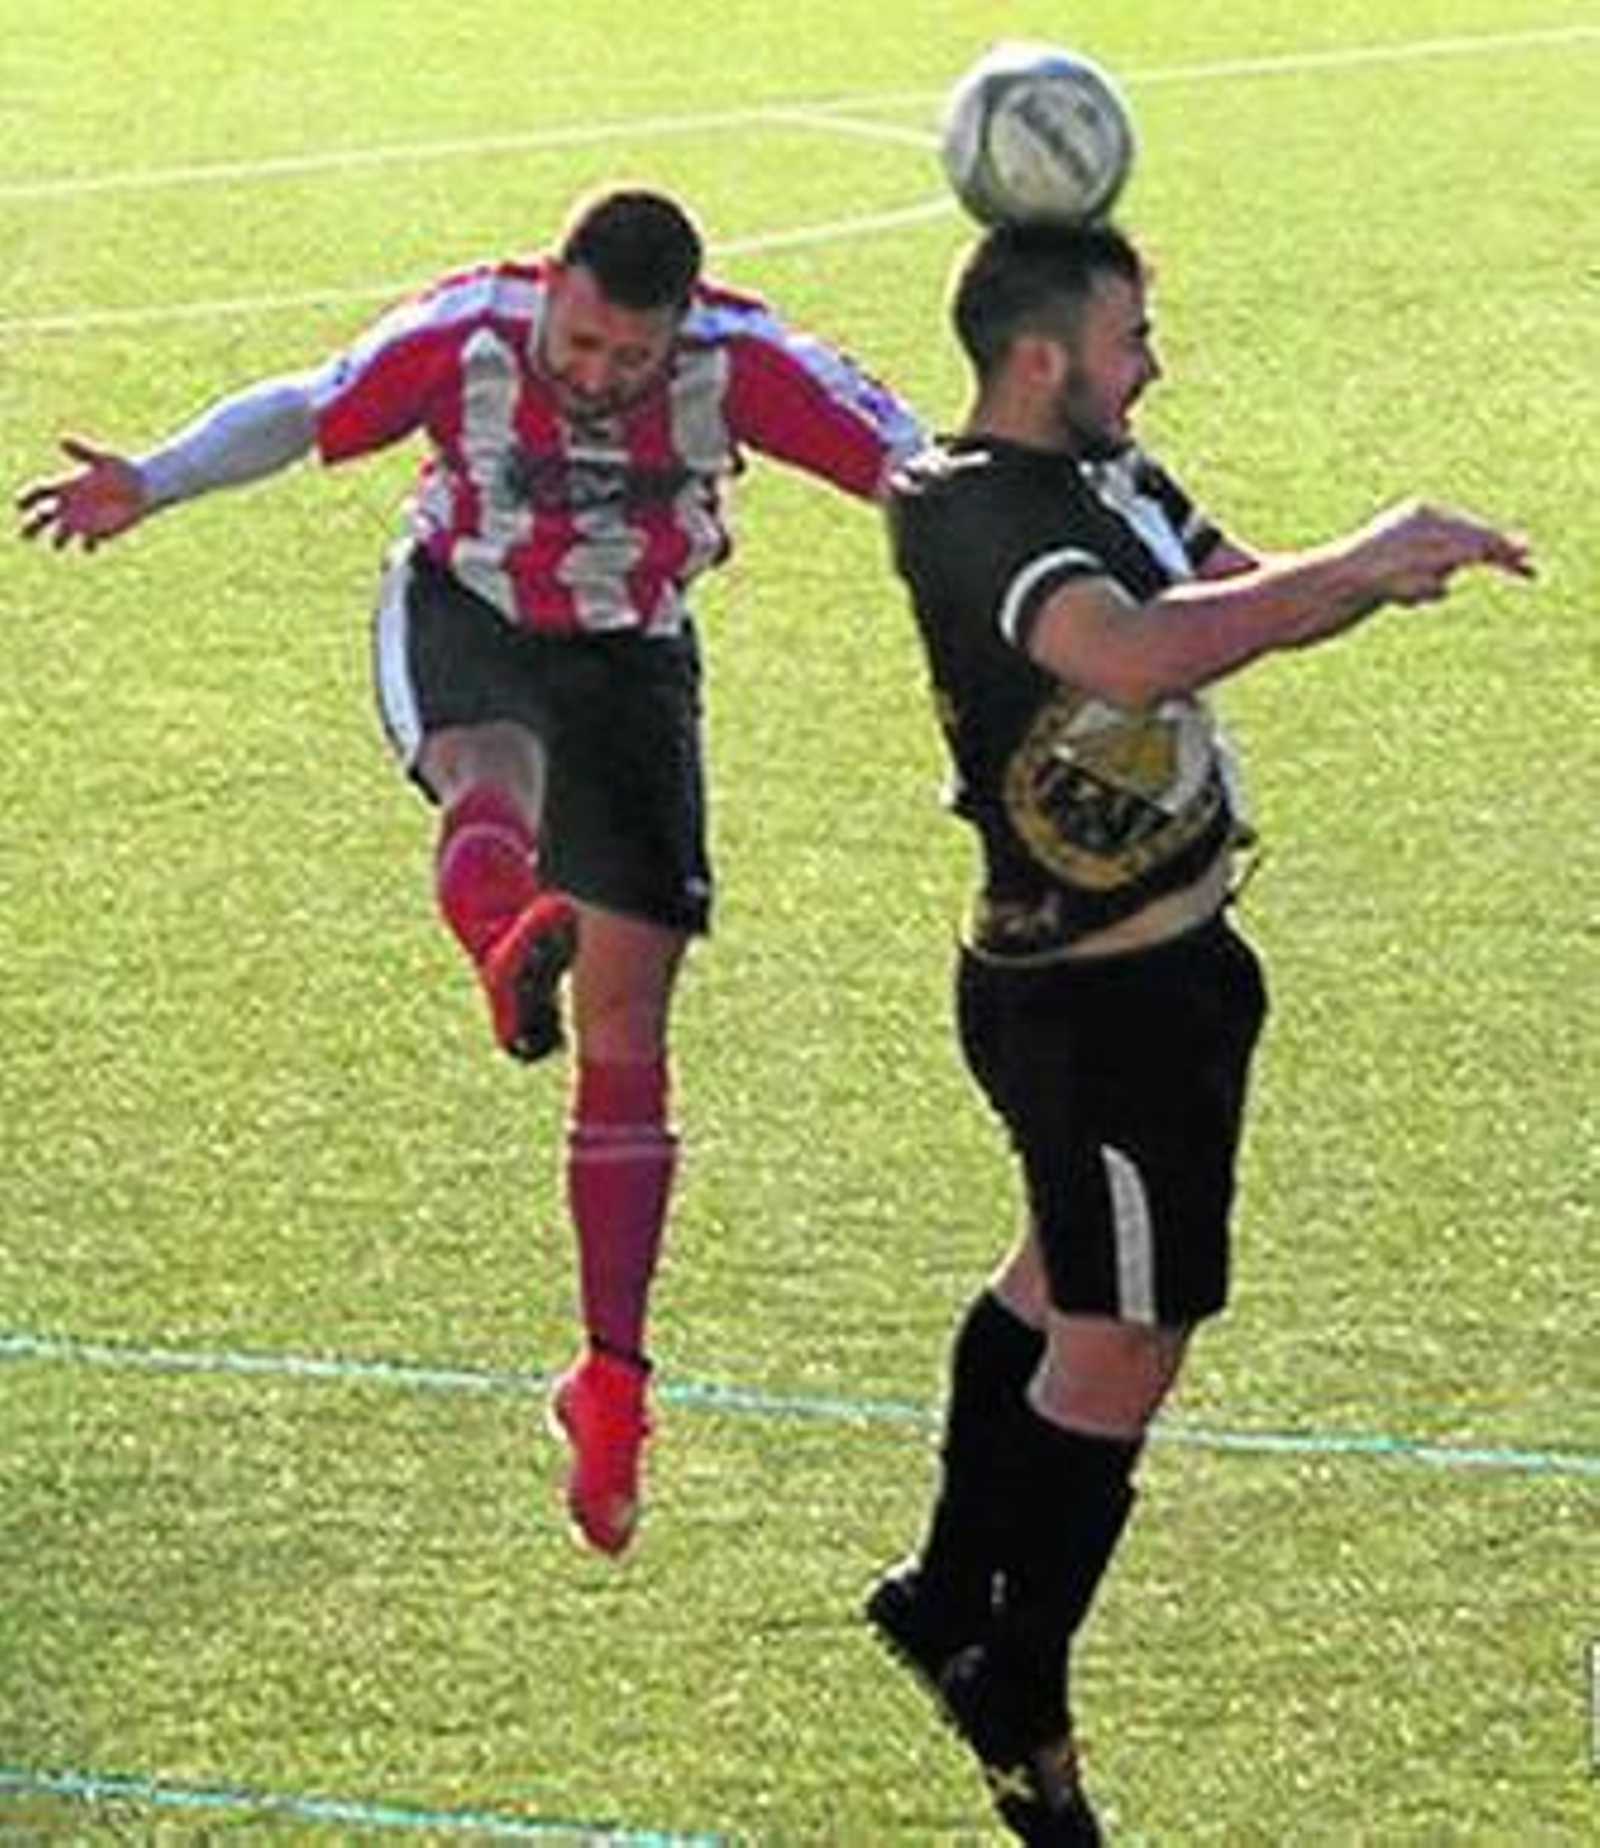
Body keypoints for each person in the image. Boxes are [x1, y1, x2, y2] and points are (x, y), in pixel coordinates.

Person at [17, 186, 923, 1559]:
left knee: (630, 1030)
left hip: (633, 654)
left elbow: (914, 465)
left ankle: (611, 1383)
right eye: (583, 342)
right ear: (551, 284)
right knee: (489, 770)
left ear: (682, 324)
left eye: (633, 357)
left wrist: (1025, 568)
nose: (602, 377)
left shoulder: (749, 366)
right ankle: (504, 930)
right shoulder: (469, 331)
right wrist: (154, 476)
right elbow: (310, 405)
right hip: (464, 602)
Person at [867, 220, 1532, 1843]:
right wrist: (1360, 555)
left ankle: (945, 1586)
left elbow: (1237, 600)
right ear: (1043, 358)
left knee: (1053, 1280)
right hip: (1090, 1006)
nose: (1150, 362)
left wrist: (1371, 575)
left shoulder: (1115, 480)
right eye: (1130, 336)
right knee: (1125, 1342)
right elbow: (1140, 651)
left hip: (1170, 977)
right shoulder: (966, 513)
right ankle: (1018, 1674)